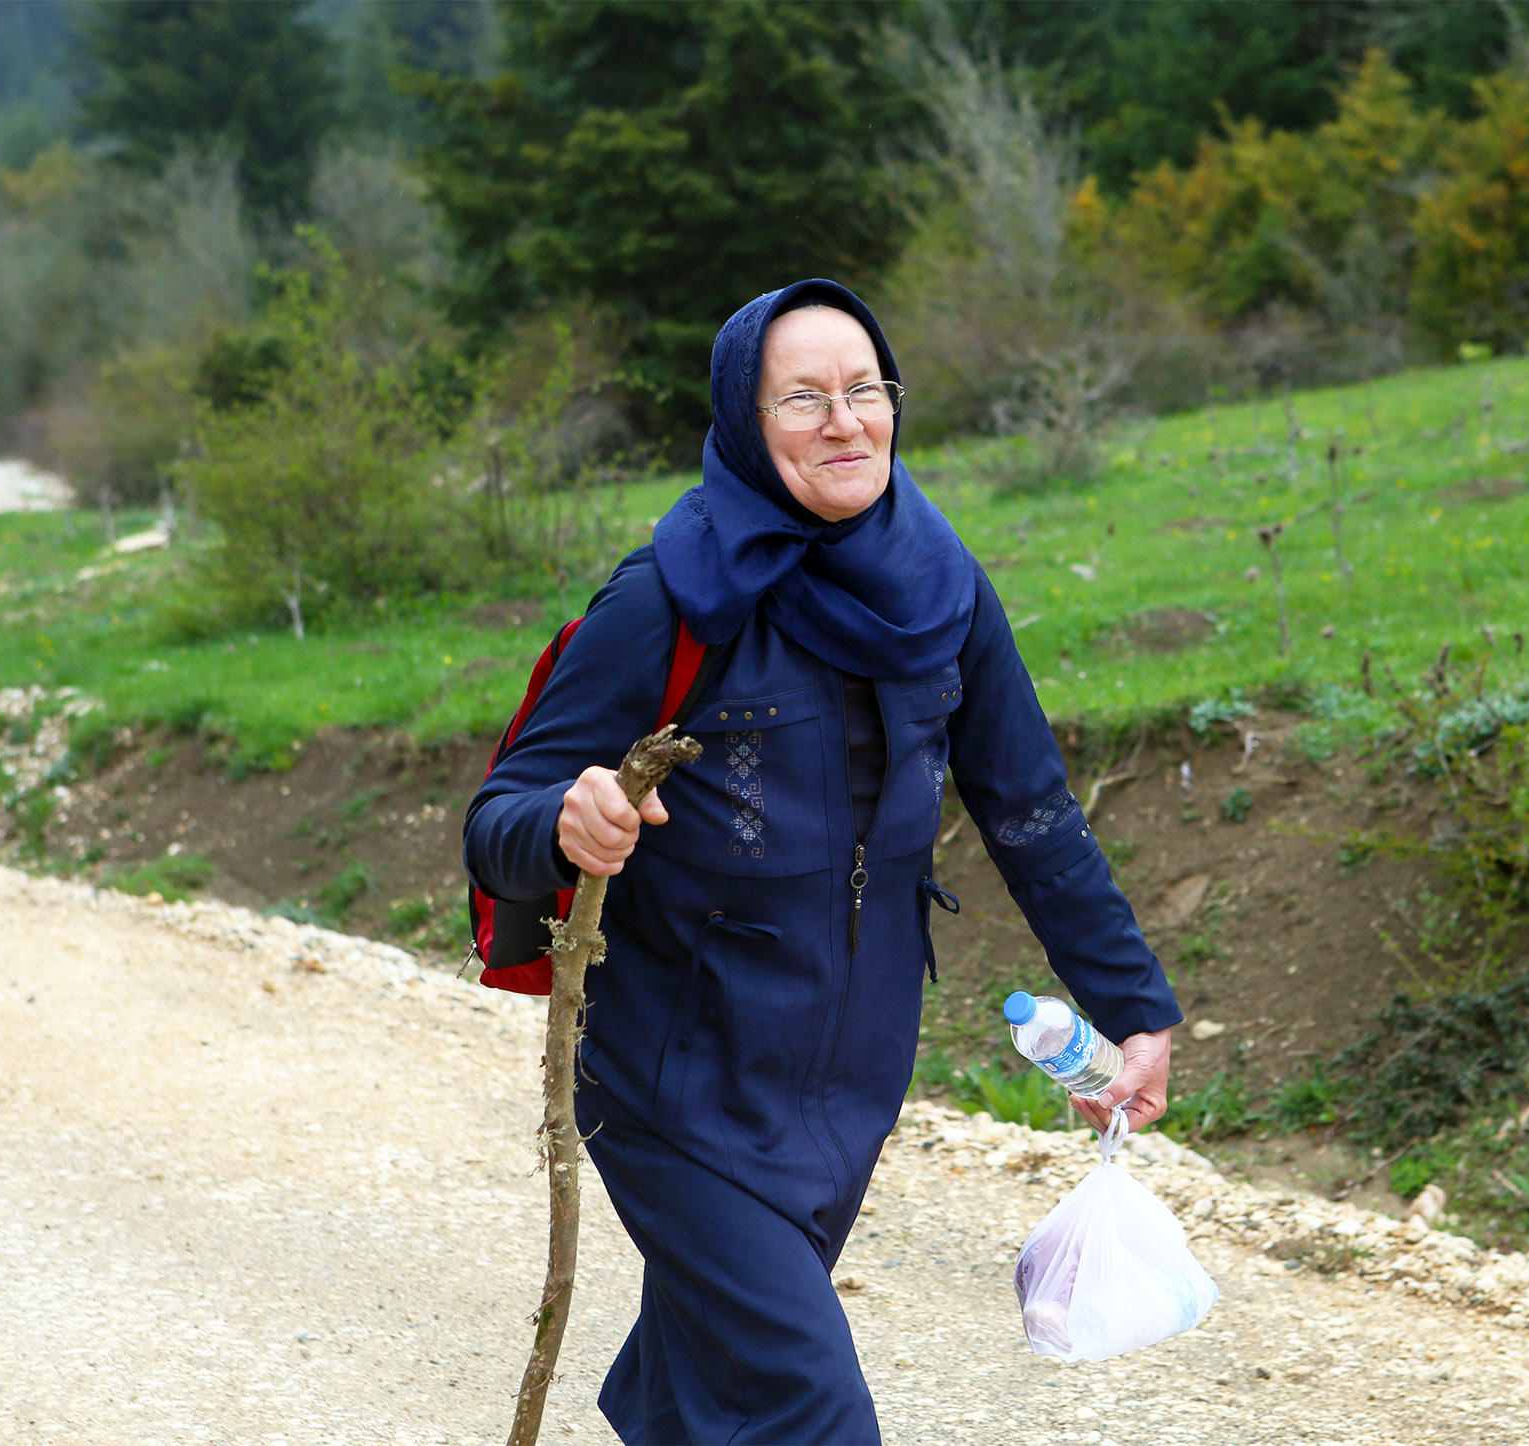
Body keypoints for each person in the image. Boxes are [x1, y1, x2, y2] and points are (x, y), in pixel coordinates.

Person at [464, 278, 1180, 1445]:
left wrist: (1131, 1008)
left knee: (705, 1373)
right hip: (675, 1082)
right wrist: (563, 819)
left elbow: (1031, 813)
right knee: (809, 1410)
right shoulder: (669, 598)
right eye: (802, 399)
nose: (845, 422)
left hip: (849, 1081)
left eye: (865, 390)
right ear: (747, 424)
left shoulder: (941, 589)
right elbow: (496, 822)